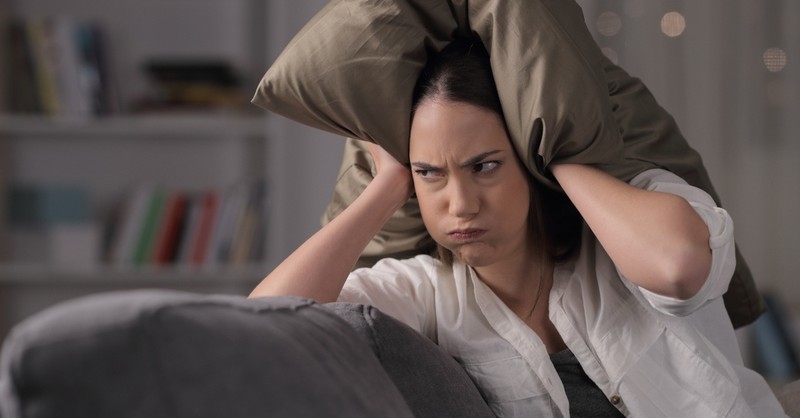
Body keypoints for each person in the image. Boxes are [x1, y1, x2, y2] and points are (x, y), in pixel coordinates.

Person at [250, 38, 785, 417]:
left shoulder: (638, 213)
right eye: (431, 173)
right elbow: (266, 327)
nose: (459, 204)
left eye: (485, 166)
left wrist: (553, 151)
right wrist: (387, 186)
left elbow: (679, 267)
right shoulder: (425, 292)